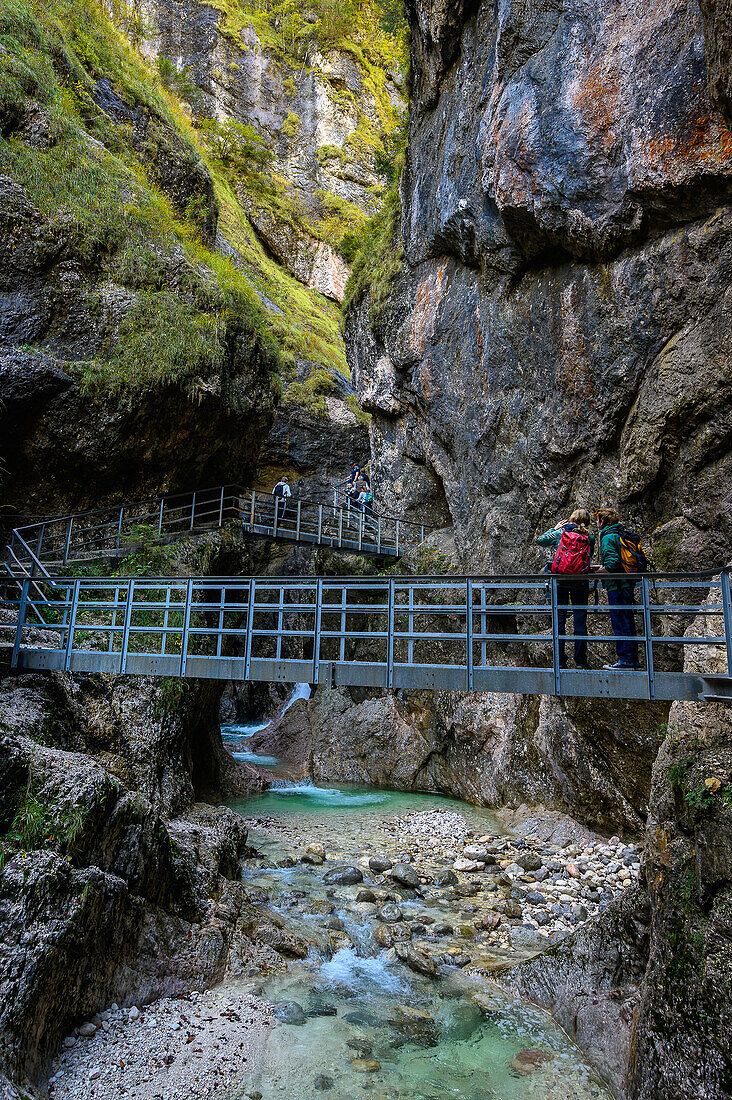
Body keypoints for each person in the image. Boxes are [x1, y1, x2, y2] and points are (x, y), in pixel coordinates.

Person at [537, 509, 595, 669]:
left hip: (560, 581)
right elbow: (588, 558)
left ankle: (560, 661)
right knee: (580, 621)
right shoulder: (589, 538)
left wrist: (553, 529)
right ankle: (581, 661)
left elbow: (540, 541)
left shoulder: (560, 534)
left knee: (560, 620)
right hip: (580, 582)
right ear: (587, 522)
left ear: (571, 519)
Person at [594, 507, 640, 670]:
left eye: (598, 519)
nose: (596, 523)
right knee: (627, 621)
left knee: (619, 621)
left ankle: (625, 660)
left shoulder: (607, 537)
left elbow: (612, 565)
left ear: (603, 521)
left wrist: (595, 571)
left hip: (617, 585)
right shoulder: (620, 533)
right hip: (627, 583)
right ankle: (632, 659)